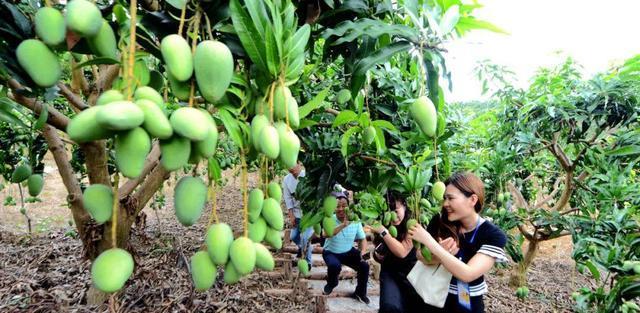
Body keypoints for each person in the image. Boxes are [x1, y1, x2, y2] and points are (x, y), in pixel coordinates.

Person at [409, 172, 508, 313]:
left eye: (450, 198)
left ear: (472, 200)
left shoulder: (492, 235)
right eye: (444, 198)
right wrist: (436, 256)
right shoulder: (439, 221)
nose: (445, 204)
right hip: (432, 298)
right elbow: (420, 255)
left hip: (467, 305)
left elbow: (468, 274)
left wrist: (432, 244)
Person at [367, 192, 423, 312]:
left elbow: (402, 252)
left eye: (396, 211)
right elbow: (379, 246)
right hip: (390, 273)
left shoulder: (413, 222)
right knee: (390, 306)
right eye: (390, 211)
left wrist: (383, 231)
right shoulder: (383, 221)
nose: (394, 216)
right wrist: (377, 255)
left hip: (411, 274)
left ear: (404, 206)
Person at [322, 191, 370, 304]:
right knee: (334, 266)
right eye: (337, 206)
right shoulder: (329, 218)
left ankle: (360, 293)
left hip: (348, 251)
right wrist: (343, 225)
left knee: (364, 265)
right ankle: (332, 283)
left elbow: (362, 239)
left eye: (344, 206)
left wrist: (363, 252)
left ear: (349, 207)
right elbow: (326, 234)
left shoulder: (355, 220)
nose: (341, 209)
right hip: (331, 252)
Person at [282, 162, 313, 269]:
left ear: (300, 163)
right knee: (294, 236)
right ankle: (302, 247)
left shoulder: (307, 176)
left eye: (294, 164)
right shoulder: (286, 180)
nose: (291, 167)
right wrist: (291, 215)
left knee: (305, 238)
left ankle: (308, 262)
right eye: (289, 164)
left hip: (309, 214)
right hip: (296, 214)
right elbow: (287, 198)